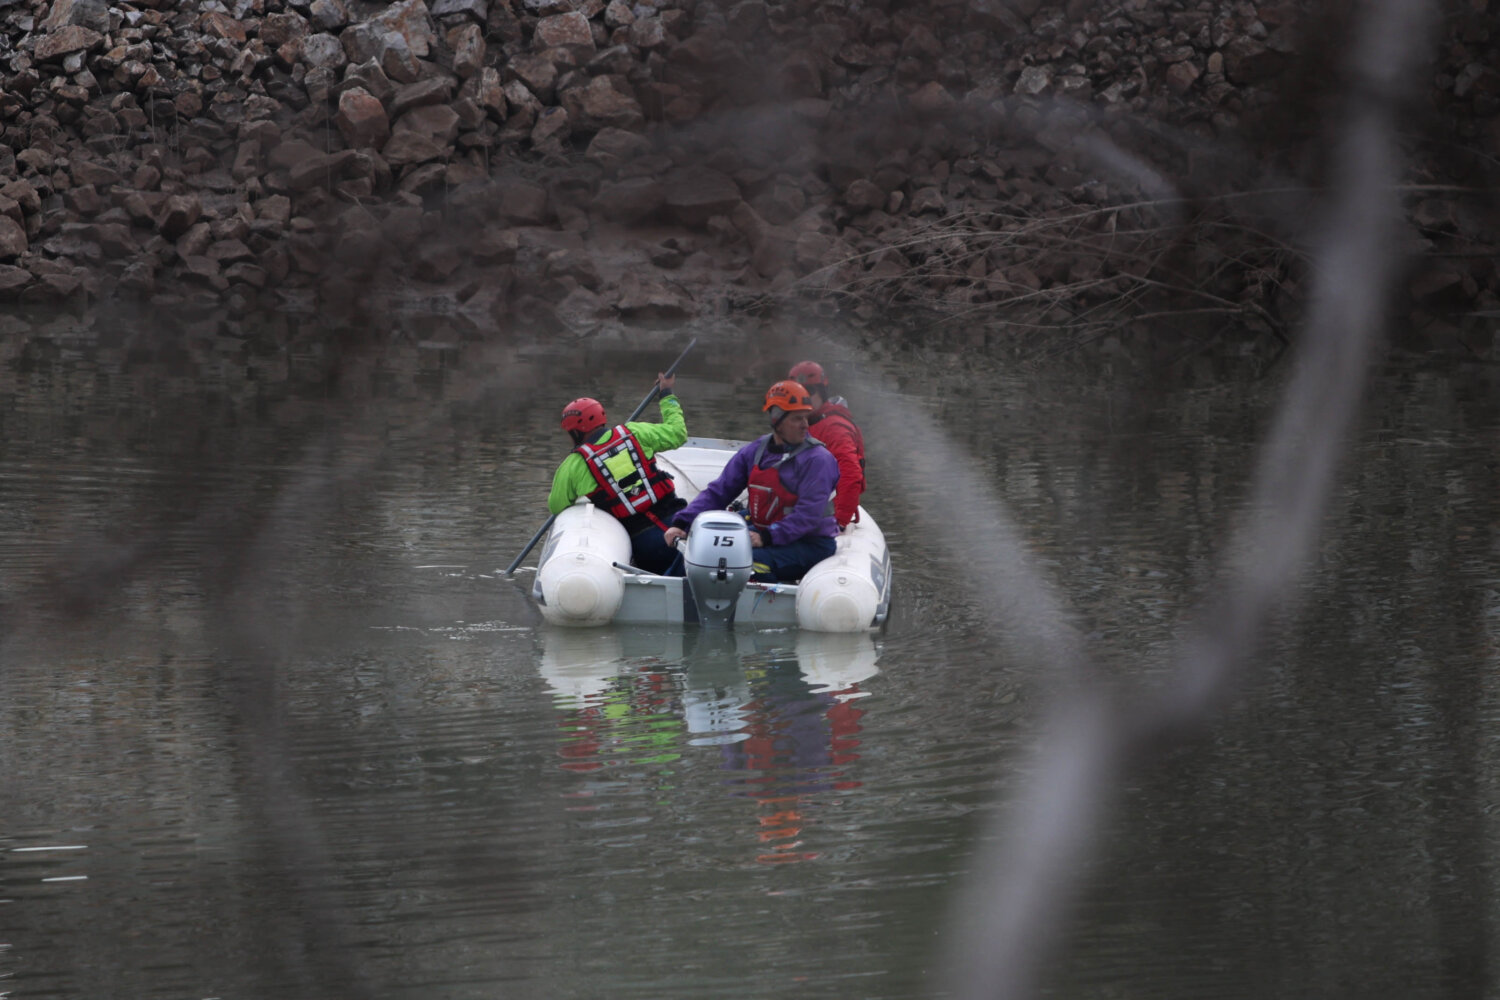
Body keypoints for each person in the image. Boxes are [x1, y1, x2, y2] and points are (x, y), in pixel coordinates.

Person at [662, 380, 839, 583]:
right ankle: (668, 589)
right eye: (797, 419)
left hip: (809, 544)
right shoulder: (756, 451)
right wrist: (683, 523)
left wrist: (765, 538)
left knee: (747, 562)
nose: (805, 425)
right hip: (768, 535)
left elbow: (807, 517)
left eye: (806, 418)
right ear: (776, 419)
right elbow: (720, 491)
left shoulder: (818, 460)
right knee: (697, 551)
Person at [548, 372, 686, 575]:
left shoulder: (573, 465)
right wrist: (666, 393)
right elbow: (678, 433)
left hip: (645, 544)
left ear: (575, 432)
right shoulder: (635, 432)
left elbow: (556, 505)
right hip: (681, 523)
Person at [788, 360, 866, 529]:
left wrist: (839, 522)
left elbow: (851, 475)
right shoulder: (798, 423)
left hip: (822, 512)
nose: (803, 399)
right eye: (796, 394)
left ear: (822, 393)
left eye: (808, 392)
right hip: (799, 506)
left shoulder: (834, 428)